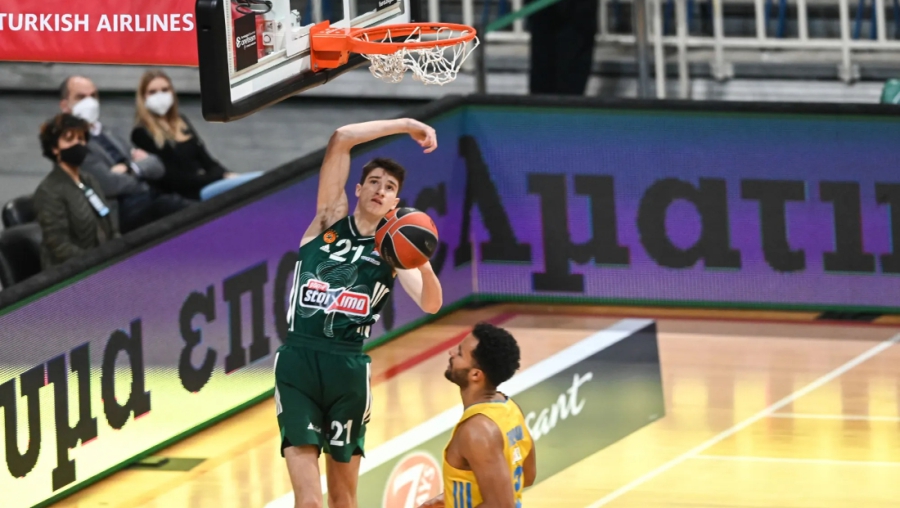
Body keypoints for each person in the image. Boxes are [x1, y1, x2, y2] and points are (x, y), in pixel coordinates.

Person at [278, 118, 444, 508]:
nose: (380, 190)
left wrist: (423, 265)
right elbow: (341, 139)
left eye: (389, 187)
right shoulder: (328, 220)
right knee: (309, 501)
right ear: (358, 188)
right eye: (374, 182)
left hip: (347, 370)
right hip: (299, 363)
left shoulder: (394, 253)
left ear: (395, 203)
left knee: (342, 498)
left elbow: (432, 304)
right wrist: (407, 125)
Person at [419, 323, 537, 508]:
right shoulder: (509, 408)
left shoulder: (477, 431)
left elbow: (501, 506)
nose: (451, 353)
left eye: (459, 353)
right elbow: (527, 476)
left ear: (475, 375)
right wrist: (451, 497)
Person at [59, 75, 193, 234]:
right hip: (120, 212)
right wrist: (139, 172)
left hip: (148, 197)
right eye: (81, 97)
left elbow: (157, 165)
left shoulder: (110, 133)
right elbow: (108, 184)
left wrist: (130, 168)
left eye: (93, 96)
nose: (90, 102)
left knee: (189, 207)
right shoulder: (71, 145)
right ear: (65, 106)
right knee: (176, 207)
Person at [131, 70, 249, 201]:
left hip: (204, 184)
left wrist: (226, 174)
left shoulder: (181, 122)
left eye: (165, 90)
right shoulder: (141, 133)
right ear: (143, 97)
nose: (160, 96)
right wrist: (217, 177)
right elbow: (172, 178)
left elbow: (206, 159)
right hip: (183, 195)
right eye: (152, 92)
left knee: (249, 182)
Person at [34, 113, 119, 268]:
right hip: (71, 272)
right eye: (69, 139)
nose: (77, 144)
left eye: (81, 139)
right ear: (55, 148)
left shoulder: (89, 180)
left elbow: (109, 222)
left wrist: (119, 251)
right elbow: (60, 247)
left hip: (103, 263)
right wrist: (98, 261)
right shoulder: (48, 190)